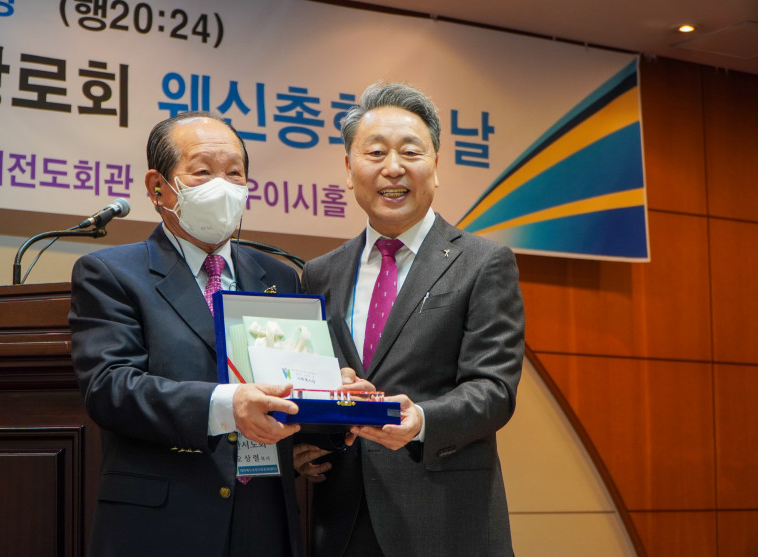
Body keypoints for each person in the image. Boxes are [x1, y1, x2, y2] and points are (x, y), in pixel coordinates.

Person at [297, 83, 525, 557]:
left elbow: (494, 390)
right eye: (375, 152)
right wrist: (301, 446)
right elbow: (309, 381)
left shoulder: (484, 263)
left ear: (436, 165)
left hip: (444, 519)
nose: (393, 168)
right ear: (348, 169)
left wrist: (420, 420)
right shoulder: (320, 273)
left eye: (410, 151)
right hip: (340, 520)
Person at [69, 111, 304, 557]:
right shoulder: (111, 273)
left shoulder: (278, 276)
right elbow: (110, 388)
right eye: (203, 172)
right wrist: (228, 406)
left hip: (264, 520)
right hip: (162, 523)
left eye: (234, 173)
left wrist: (331, 396)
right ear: (157, 187)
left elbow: (289, 379)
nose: (223, 186)